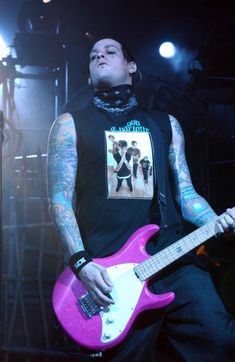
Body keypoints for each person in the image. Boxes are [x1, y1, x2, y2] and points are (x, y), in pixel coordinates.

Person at [47, 38, 235, 361]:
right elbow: (60, 199)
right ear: (89, 77)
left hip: (171, 260)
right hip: (111, 274)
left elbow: (186, 195)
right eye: (93, 56)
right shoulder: (70, 125)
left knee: (220, 340)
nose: (99, 56)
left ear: (131, 67)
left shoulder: (165, 124)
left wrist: (217, 221)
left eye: (110, 52)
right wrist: (81, 263)